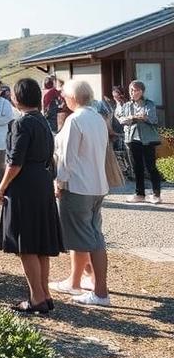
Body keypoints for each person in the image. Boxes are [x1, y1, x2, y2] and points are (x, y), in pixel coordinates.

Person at [0, 78, 63, 313]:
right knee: (40, 243)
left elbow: (15, 163)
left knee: (26, 244)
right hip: (42, 182)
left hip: (24, 185)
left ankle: (36, 298)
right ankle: (44, 293)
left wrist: (2, 187)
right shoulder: (43, 121)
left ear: (17, 98)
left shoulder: (21, 124)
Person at [50, 79, 111, 306]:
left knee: (87, 238)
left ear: (72, 98)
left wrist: (60, 181)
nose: (63, 99)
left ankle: (100, 291)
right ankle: (78, 281)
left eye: (65, 95)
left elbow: (67, 157)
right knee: (91, 234)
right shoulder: (98, 118)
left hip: (78, 186)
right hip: (97, 185)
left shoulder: (75, 120)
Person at [117, 80, 163, 205]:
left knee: (151, 166)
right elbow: (121, 119)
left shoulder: (149, 104)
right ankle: (140, 194)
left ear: (141, 92)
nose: (133, 92)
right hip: (132, 139)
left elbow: (152, 119)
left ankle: (156, 194)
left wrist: (138, 118)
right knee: (137, 167)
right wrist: (134, 117)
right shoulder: (127, 105)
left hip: (148, 139)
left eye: (136, 90)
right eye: (131, 90)